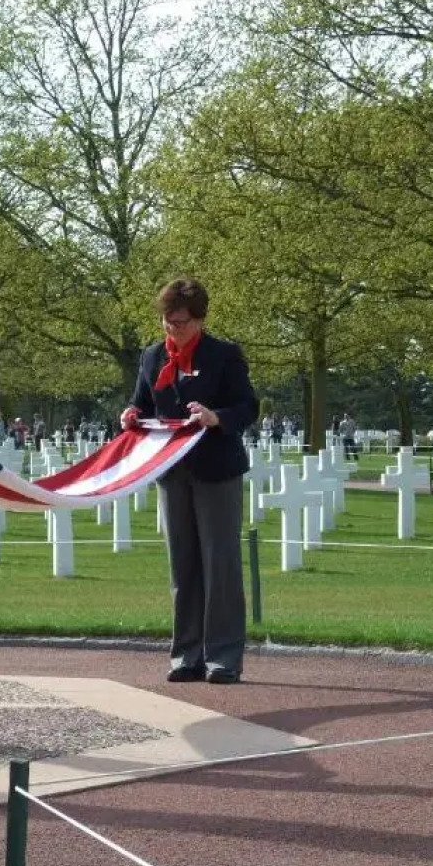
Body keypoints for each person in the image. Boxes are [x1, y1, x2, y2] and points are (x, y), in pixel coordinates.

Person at [120, 278, 258, 685]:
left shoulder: (224, 355)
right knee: (183, 565)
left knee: (220, 564)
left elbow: (247, 406)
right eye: (166, 321)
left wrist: (216, 417)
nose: (171, 330)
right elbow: (141, 401)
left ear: (199, 319)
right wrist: (129, 413)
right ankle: (187, 655)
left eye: (179, 322)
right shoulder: (151, 357)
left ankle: (224, 657)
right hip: (172, 473)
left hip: (215, 469)